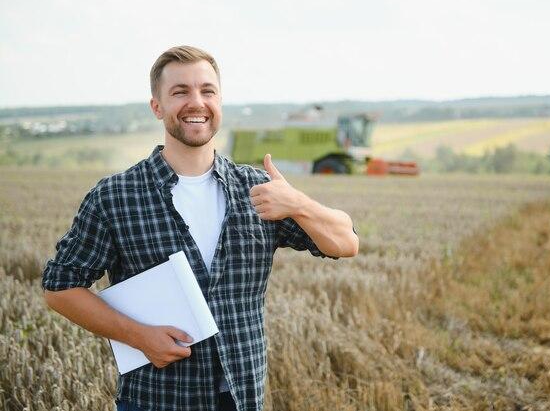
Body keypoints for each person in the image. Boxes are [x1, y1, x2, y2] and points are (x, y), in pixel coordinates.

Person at [41, 45, 359, 411]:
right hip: (154, 400)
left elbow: (345, 242)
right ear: (157, 107)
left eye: (207, 91)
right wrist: (140, 337)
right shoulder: (114, 196)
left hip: (241, 398)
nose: (196, 102)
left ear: (219, 101)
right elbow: (60, 287)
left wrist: (299, 203)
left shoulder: (257, 190)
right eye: (180, 92)